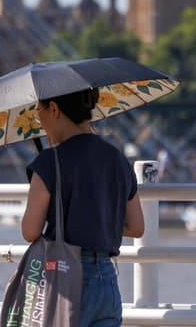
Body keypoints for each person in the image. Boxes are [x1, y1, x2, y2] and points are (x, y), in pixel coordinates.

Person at [21, 88, 144, 327]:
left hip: (67, 280)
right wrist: (95, 220)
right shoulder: (117, 159)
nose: (40, 121)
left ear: (54, 109)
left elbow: (30, 231)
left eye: (40, 112)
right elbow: (137, 227)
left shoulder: (48, 162)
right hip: (107, 280)